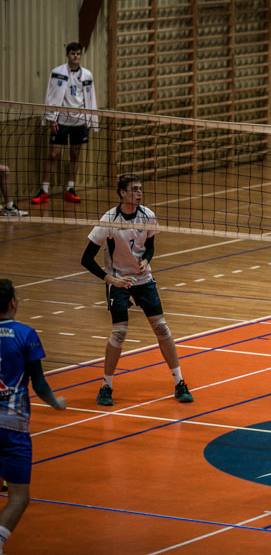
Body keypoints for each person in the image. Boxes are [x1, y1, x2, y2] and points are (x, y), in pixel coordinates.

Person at [80, 174, 193, 406]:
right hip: (119, 280)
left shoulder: (148, 215)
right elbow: (86, 259)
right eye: (134, 189)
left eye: (141, 189)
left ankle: (180, 382)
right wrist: (111, 279)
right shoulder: (109, 219)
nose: (139, 193)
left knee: (161, 328)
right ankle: (106, 386)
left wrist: (146, 260)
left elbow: (149, 247)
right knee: (119, 333)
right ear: (122, 193)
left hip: (143, 279)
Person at [0, 279, 67, 554]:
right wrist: (55, 403)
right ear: (13, 303)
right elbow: (38, 383)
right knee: (19, 496)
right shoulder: (25, 334)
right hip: (12, 425)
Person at [34, 42, 98, 205]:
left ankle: (70, 188)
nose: (75, 56)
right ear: (67, 55)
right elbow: (51, 95)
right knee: (53, 154)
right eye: (72, 53)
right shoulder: (57, 72)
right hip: (61, 120)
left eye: (78, 53)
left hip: (79, 121)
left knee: (75, 155)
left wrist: (91, 120)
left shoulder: (87, 75)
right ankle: (44, 190)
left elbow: (90, 97)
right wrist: (52, 119)